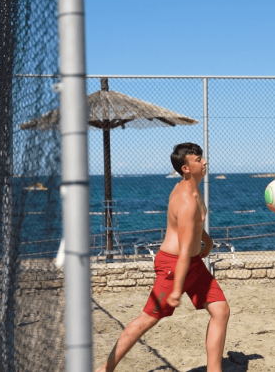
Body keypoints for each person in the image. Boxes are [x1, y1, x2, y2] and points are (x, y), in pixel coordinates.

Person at [95, 143, 230, 372]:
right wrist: (177, 289)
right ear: (186, 168)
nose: (205, 161)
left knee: (221, 310)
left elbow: (194, 227)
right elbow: (184, 248)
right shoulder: (186, 200)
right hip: (174, 266)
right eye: (199, 159)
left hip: (192, 264)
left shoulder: (193, 189)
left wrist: (207, 243)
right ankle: (105, 369)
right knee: (147, 319)